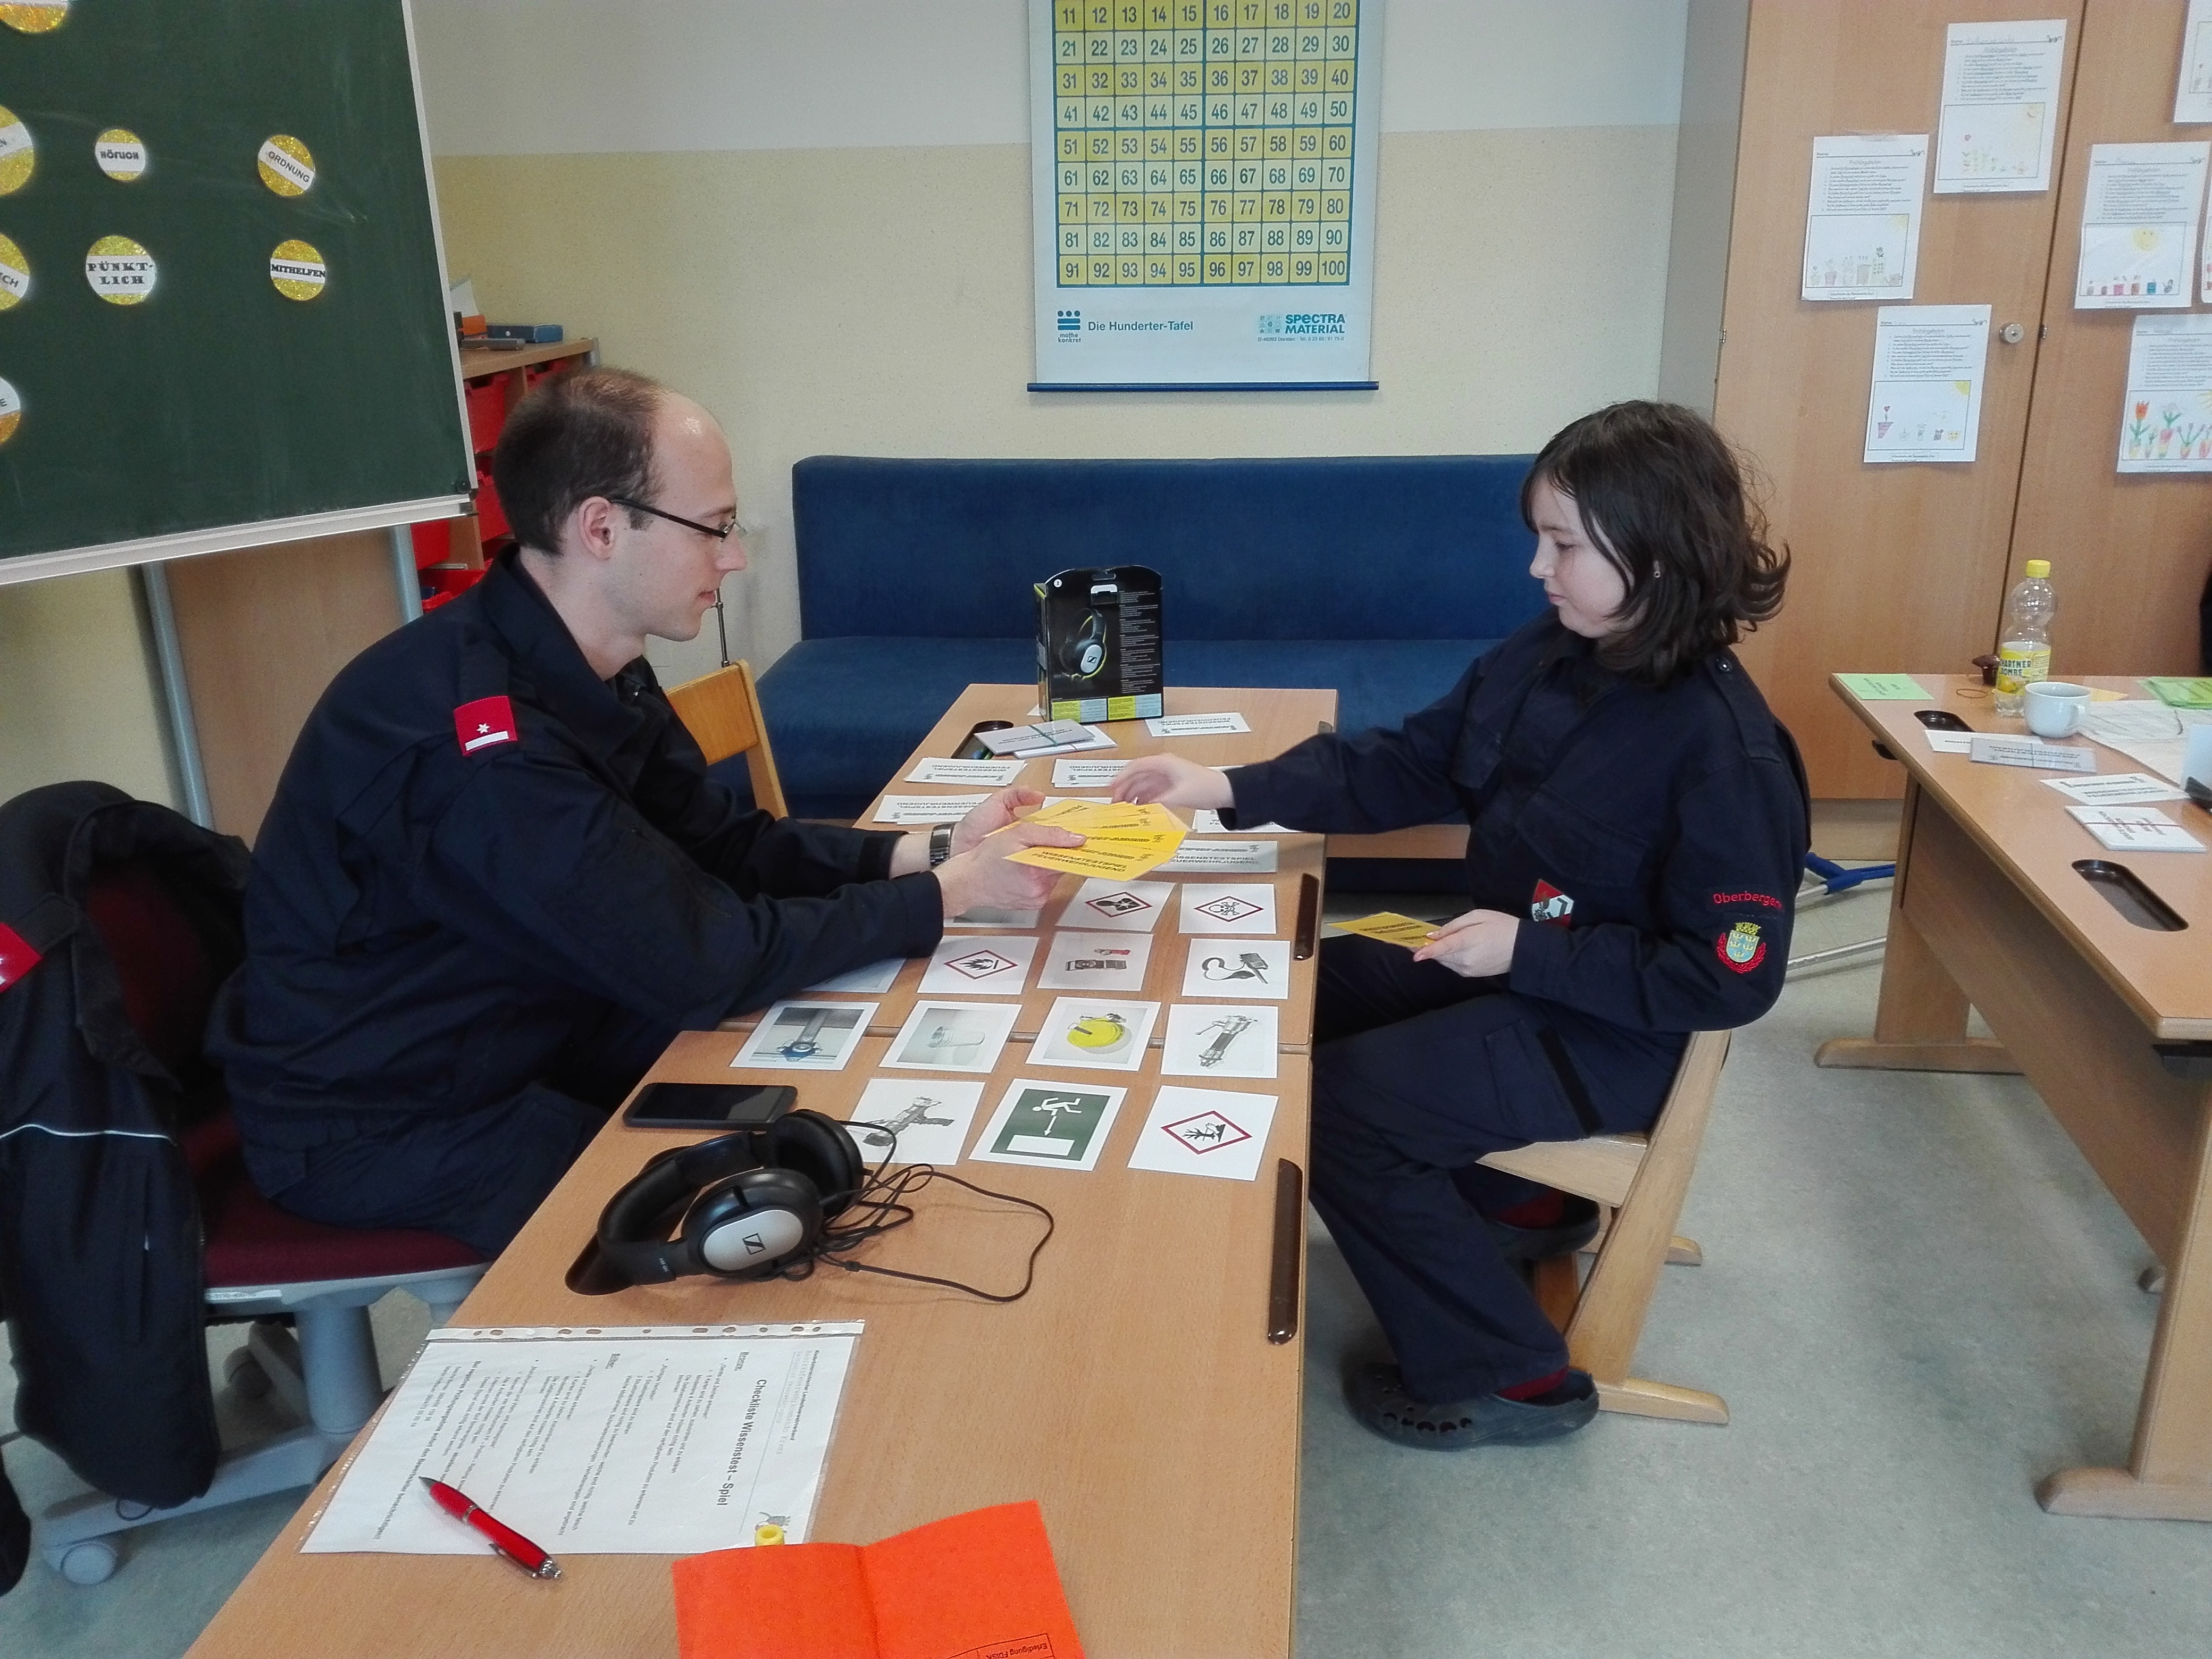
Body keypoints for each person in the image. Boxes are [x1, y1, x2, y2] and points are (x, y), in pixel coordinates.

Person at [209, 368, 1077, 1254]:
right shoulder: (484, 753)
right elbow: (702, 960)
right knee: (724, 1233)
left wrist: (931, 852)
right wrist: (950, 895)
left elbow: (721, 845)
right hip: (392, 1116)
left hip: (542, 1016)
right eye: (715, 528)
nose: (734, 558)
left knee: (821, 1097)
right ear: (601, 528)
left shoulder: (589, 660)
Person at [1112, 401, 1808, 1449]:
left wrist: (1530, 948)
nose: (1538, 567)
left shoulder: (1727, 753)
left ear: (1659, 553)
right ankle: (1521, 1203)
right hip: (1513, 965)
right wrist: (1222, 784)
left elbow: (1727, 979)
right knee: (1303, 986)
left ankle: (1509, 1377)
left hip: (1610, 1031)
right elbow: (1411, 761)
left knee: (1342, 1107)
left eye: (1564, 545)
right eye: (1541, 539)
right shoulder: (1554, 651)